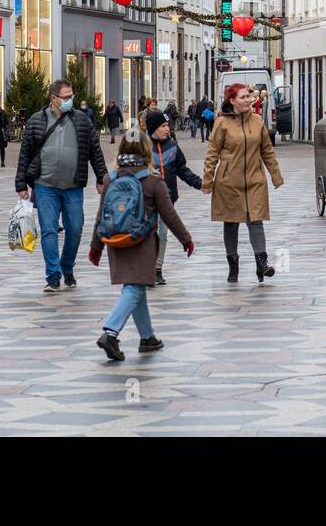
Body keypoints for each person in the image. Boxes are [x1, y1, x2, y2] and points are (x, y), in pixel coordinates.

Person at [88, 129, 194, 361]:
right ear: (146, 151)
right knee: (134, 288)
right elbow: (169, 215)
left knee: (136, 287)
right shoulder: (154, 181)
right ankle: (110, 332)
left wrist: (96, 246)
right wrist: (186, 240)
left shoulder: (110, 179)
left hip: (116, 241)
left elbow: (100, 216)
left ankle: (147, 338)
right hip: (141, 243)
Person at [15, 79, 109, 292]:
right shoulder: (36, 121)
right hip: (44, 185)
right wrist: (21, 183)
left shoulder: (82, 120)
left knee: (75, 229)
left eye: (71, 96)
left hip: (73, 186)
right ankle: (53, 275)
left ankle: (67, 266)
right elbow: (25, 154)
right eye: (65, 97)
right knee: (48, 230)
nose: (70, 100)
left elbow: (95, 149)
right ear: (53, 99)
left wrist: (101, 177)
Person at [204, 83, 284, 283]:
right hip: (229, 181)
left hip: (255, 180)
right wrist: (208, 179)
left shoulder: (257, 121)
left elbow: (267, 150)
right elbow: (212, 153)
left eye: (248, 96)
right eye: (242, 97)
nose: (248, 99)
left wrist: (275, 175)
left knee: (256, 220)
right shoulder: (222, 123)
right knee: (231, 223)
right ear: (232, 101)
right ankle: (233, 264)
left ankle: (262, 263)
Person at [146, 110, 203, 285]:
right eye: (163, 126)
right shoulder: (144, 147)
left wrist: (200, 183)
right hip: (146, 202)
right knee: (149, 234)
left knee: (163, 234)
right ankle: (145, 267)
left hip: (167, 199)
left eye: (168, 125)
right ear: (154, 128)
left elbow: (182, 170)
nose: (167, 129)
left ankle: (157, 269)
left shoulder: (173, 146)